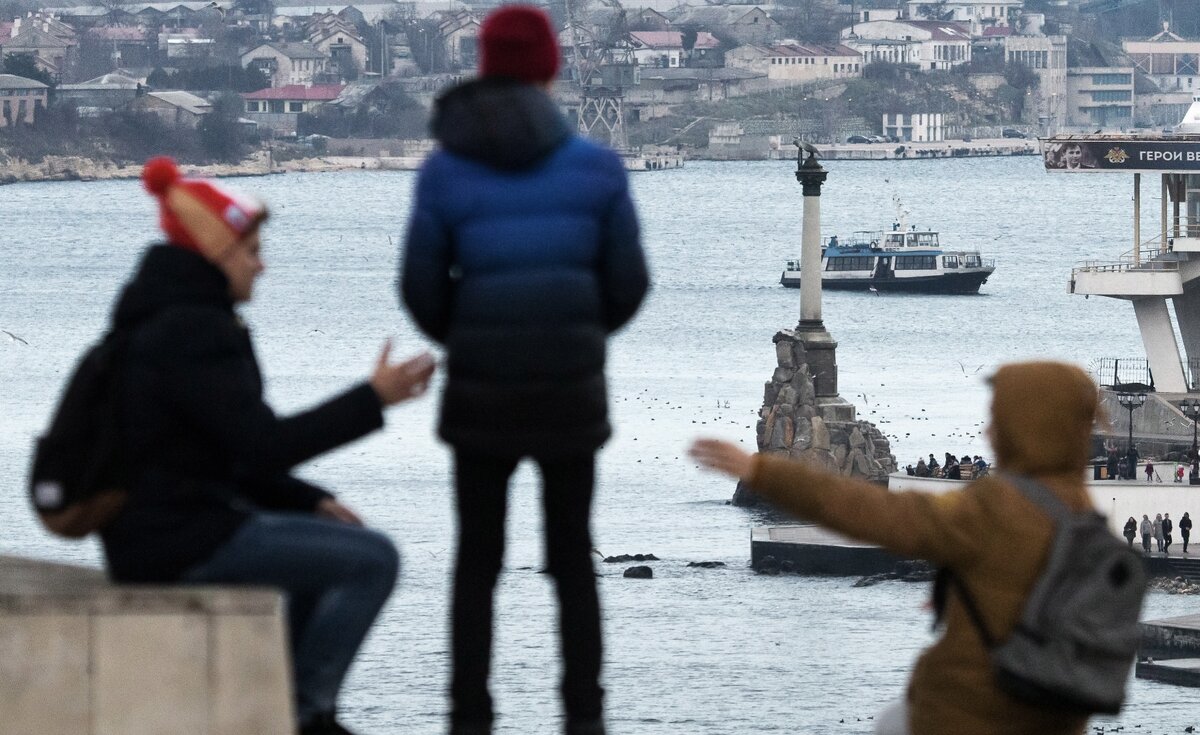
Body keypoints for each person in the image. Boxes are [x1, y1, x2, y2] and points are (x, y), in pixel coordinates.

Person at [102, 158, 437, 735]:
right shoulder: (194, 331)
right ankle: (305, 713)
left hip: (157, 527)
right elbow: (261, 446)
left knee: (332, 546)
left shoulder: (168, 318)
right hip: (174, 538)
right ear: (217, 253)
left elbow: (224, 450)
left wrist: (305, 500)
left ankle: (286, 701)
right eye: (251, 251)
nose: (261, 267)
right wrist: (373, 399)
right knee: (373, 559)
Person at [400, 7, 648, 734]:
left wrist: (470, 336)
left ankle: (468, 713)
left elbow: (419, 287)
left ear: (482, 66)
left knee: (477, 557)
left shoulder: (444, 170)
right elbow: (628, 284)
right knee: (572, 556)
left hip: (479, 389)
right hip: (570, 388)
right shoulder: (597, 168)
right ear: (550, 69)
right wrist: (578, 333)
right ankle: (583, 715)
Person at [690, 361, 1101, 735]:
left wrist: (760, 470)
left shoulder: (996, 512)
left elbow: (869, 510)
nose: (988, 431)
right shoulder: (1090, 528)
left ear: (1026, 428)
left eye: (999, 418)